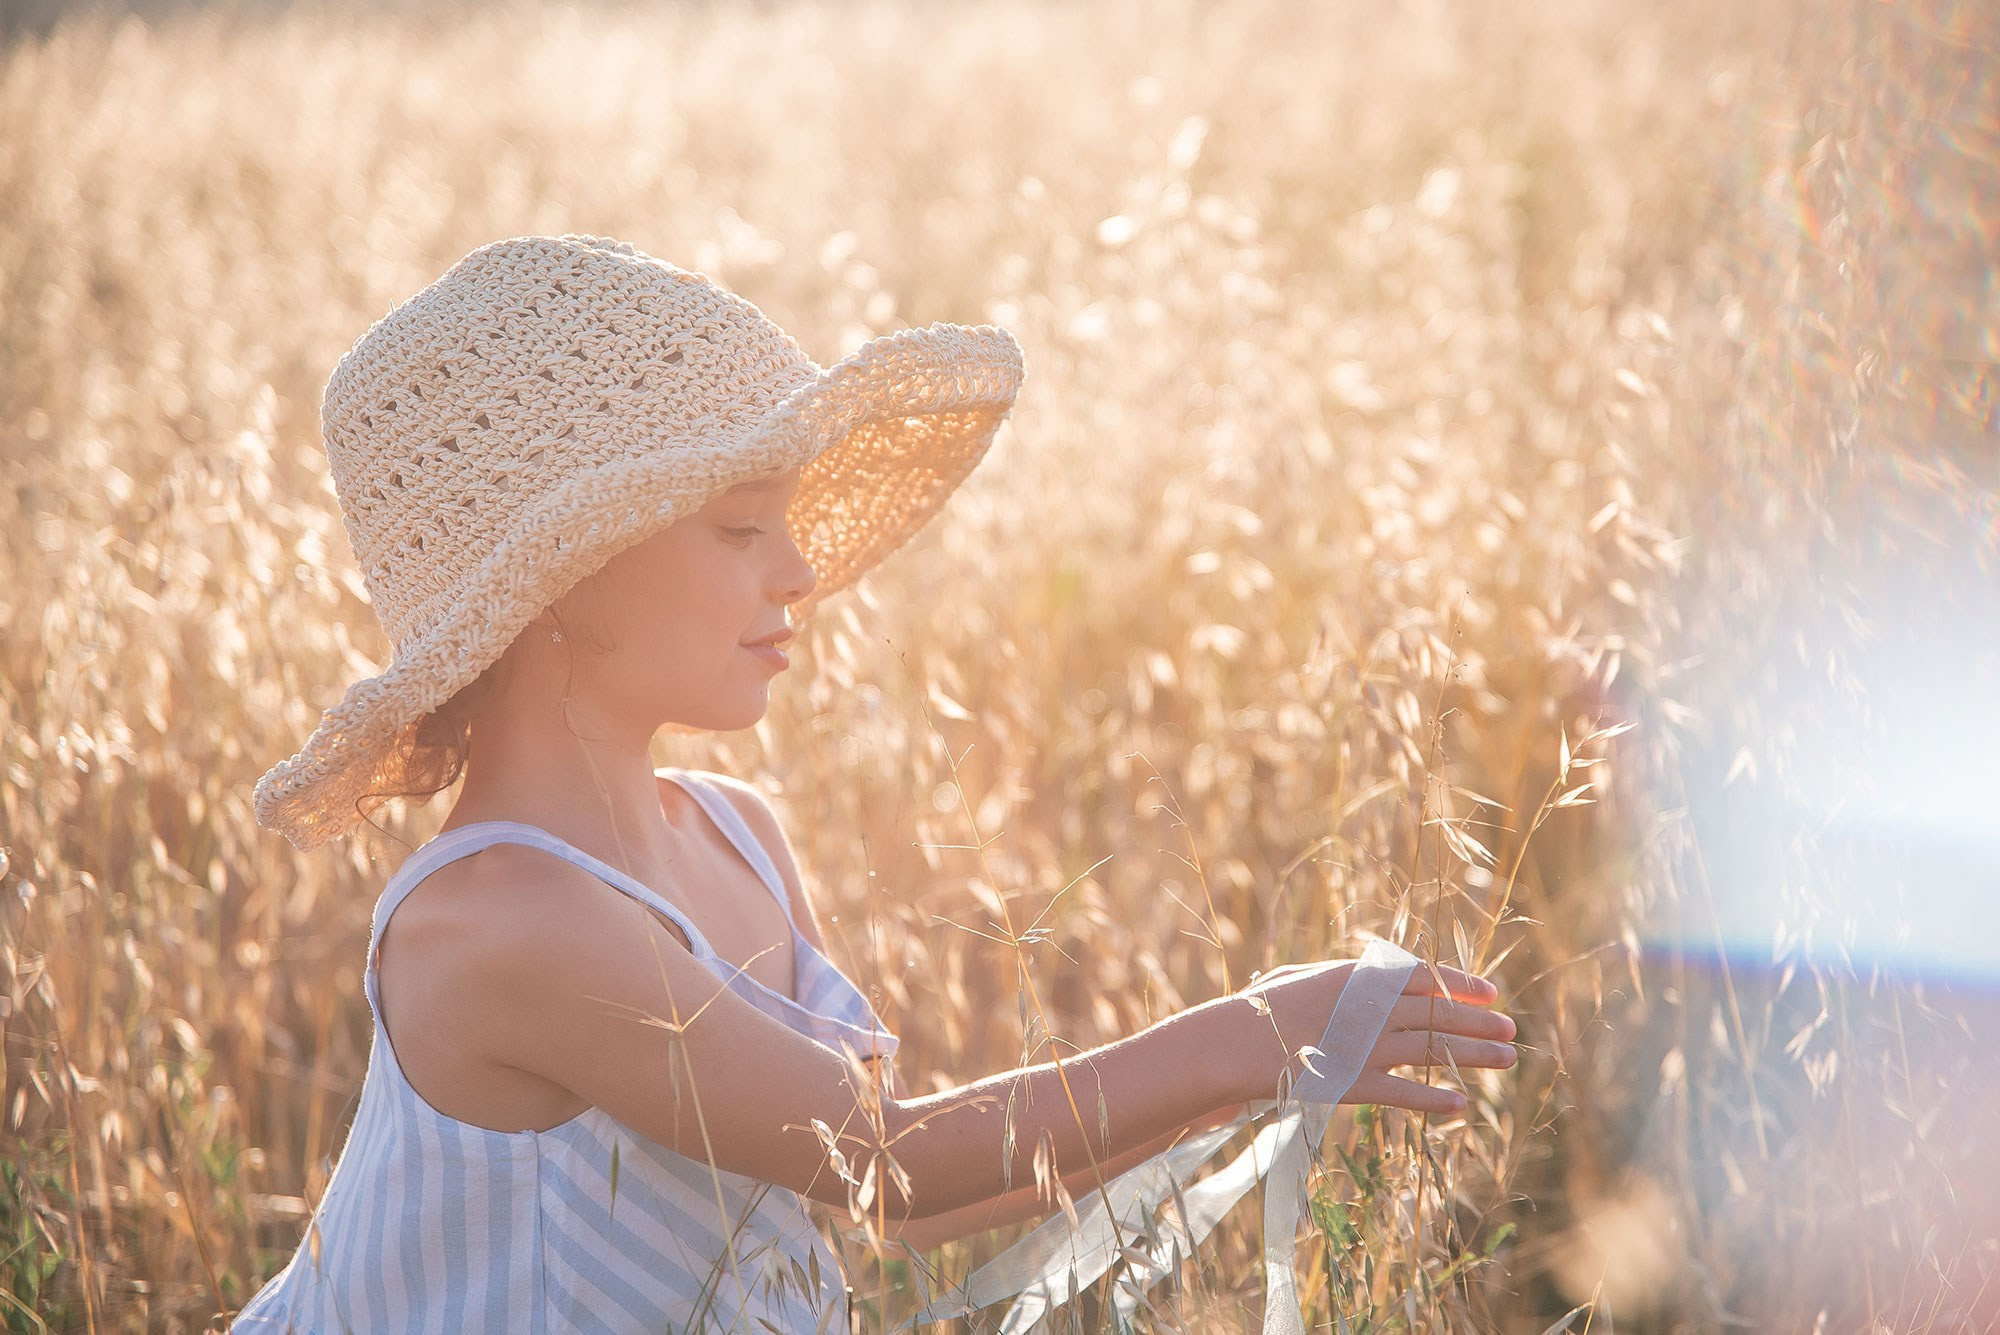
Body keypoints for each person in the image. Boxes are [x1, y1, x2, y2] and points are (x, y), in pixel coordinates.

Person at [234, 234, 1517, 1332]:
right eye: (740, 527)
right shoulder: (502, 925)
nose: (797, 571)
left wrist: (1261, 1070)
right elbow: (892, 1165)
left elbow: (911, 1207)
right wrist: (1255, 1026)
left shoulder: (735, 835)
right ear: (562, 575)